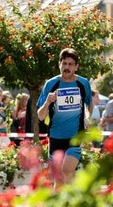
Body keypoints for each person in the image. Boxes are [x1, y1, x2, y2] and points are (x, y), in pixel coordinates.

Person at [37, 48, 93, 183]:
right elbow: (40, 116)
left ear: (76, 67)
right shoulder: (51, 84)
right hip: (56, 137)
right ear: (59, 64)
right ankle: (66, 202)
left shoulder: (83, 83)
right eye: (64, 64)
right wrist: (47, 102)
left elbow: (89, 104)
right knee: (59, 179)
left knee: (67, 170)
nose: (67, 67)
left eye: (70, 64)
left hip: (74, 136)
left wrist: (88, 117)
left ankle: (71, 201)